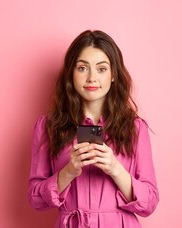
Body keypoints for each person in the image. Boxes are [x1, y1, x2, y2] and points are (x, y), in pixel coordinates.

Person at [28, 30, 159, 228]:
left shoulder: (135, 128)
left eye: (102, 69)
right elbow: (35, 198)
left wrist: (115, 169)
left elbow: (149, 203)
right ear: (71, 74)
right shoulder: (48, 127)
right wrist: (69, 171)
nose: (91, 78)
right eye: (82, 68)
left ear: (114, 74)